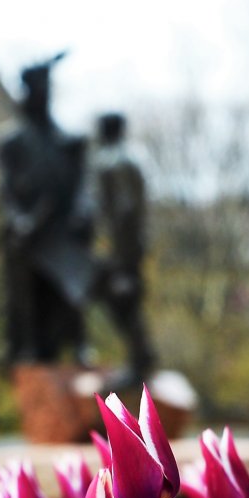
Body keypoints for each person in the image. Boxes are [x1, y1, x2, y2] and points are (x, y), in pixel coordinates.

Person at [0, 56, 93, 365]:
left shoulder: (68, 142)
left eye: (47, 88)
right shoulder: (12, 142)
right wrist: (21, 221)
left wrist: (83, 211)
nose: (45, 94)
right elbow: (5, 191)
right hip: (31, 236)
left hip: (63, 233)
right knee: (30, 301)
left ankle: (77, 344)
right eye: (39, 88)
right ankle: (28, 351)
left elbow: (84, 187)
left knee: (70, 291)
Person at [91, 111, 156, 381]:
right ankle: (141, 358)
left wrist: (118, 256)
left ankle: (141, 361)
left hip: (120, 246)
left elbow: (123, 208)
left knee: (120, 299)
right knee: (127, 301)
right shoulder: (134, 157)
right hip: (134, 242)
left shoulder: (112, 161)